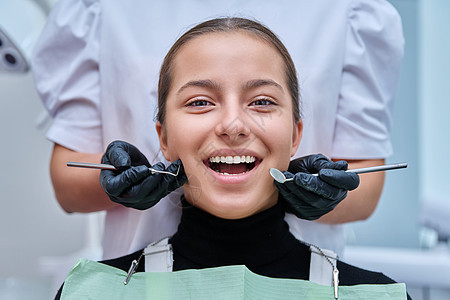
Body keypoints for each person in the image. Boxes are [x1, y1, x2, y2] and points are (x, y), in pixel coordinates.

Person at [56, 17, 409, 299]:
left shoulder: (372, 294)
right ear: (162, 137)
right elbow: (65, 183)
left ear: (296, 136)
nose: (233, 125)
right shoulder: (90, 293)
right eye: (200, 102)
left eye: (262, 101)